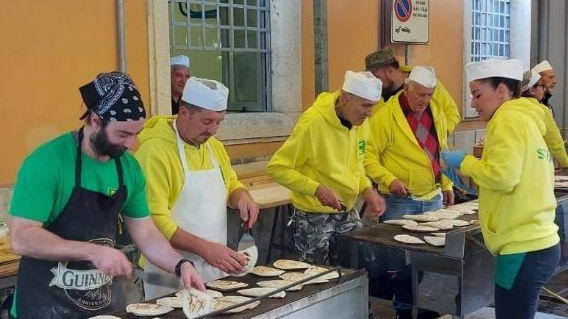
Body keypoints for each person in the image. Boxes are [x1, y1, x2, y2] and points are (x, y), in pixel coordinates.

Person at [7, 72, 205, 319]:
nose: (132, 144)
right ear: (95, 121)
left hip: (102, 305)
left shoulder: (128, 168)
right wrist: (92, 251)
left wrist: (180, 265)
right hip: (44, 306)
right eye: (123, 134)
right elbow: (21, 237)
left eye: (136, 133)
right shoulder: (48, 163)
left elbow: (145, 232)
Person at [442, 58, 560, 319]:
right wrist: (473, 180)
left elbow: (503, 177)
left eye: (477, 95)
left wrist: (466, 162)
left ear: (502, 90)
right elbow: (514, 177)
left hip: (522, 248)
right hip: (536, 244)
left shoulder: (506, 119)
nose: (473, 103)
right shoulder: (525, 118)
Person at [135, 77, 260, 300]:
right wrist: (205, 249)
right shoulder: (155, 152)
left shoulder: (214, 147)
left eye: (219, 122)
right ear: (184, 112)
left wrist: (241, 196)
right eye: (207, 121)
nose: (213, 130)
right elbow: (154, 221)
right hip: (169, 274)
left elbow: (230, 183)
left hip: (214, 267)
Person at [266, 71, 386, 265]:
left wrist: (367, 190)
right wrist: (317, 190)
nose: (370, 113)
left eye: (373, 106)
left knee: (358, 269)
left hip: (347, 212)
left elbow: (357, 162)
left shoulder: (361, 123)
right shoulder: (312, 123)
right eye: (365, 105)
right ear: (346, 98)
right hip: (313, 217)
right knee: (317, 278)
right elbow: (277, 167)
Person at [364, 66, 452, 319]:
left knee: (428, 259)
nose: (425, 101)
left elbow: (440, 151)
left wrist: (445, 183)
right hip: (400, 201)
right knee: (399, 261)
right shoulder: (385, 116)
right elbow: (368, 156)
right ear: (407, 89)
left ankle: (425, 307)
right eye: (420, 95)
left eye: (430, 95)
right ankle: (402, 310)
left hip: (432, 197)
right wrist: (388, 179)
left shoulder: (435, 111)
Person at [365, 48, 461, 134]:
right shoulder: (375, 95)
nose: (373, 82)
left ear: (390, 72)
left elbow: (452, 113)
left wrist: (437, 138)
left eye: (377, 77)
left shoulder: (426, 83)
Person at [521, 70, 568, 168]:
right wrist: (565, 162)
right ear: (532, 89)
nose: (544, 90)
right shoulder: (541, 110)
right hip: (536, 162)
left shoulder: (509, 107)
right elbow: (555, 141)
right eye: (542, 86)